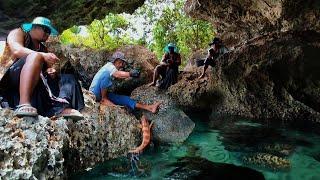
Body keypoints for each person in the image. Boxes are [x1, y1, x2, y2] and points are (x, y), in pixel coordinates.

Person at [0, 17, 84, 119]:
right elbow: (17, 50)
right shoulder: (19, 33)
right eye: (45, 30)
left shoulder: (43, 48)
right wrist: (41, 55)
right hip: (12, 77)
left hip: (36, 83)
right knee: (35, 56)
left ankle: (61, 107)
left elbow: (45, 70)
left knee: (68, 78)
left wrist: (50, 71)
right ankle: (23, 103)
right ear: (34, 27)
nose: (47, 34)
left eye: (49, 32)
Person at [89, 51, 160, 113]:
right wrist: (131, 74)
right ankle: (104, 100)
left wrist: (130, 76)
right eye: (120, 62)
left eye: (122, 63)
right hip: (94, 93)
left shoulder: (112, 69)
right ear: (115, 60)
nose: (121, 65)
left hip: (102, 94)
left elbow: (119, 76)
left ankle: (150, 108)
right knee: (106, 74)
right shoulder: (109, 66)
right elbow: (117, 74)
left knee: (125, 99)